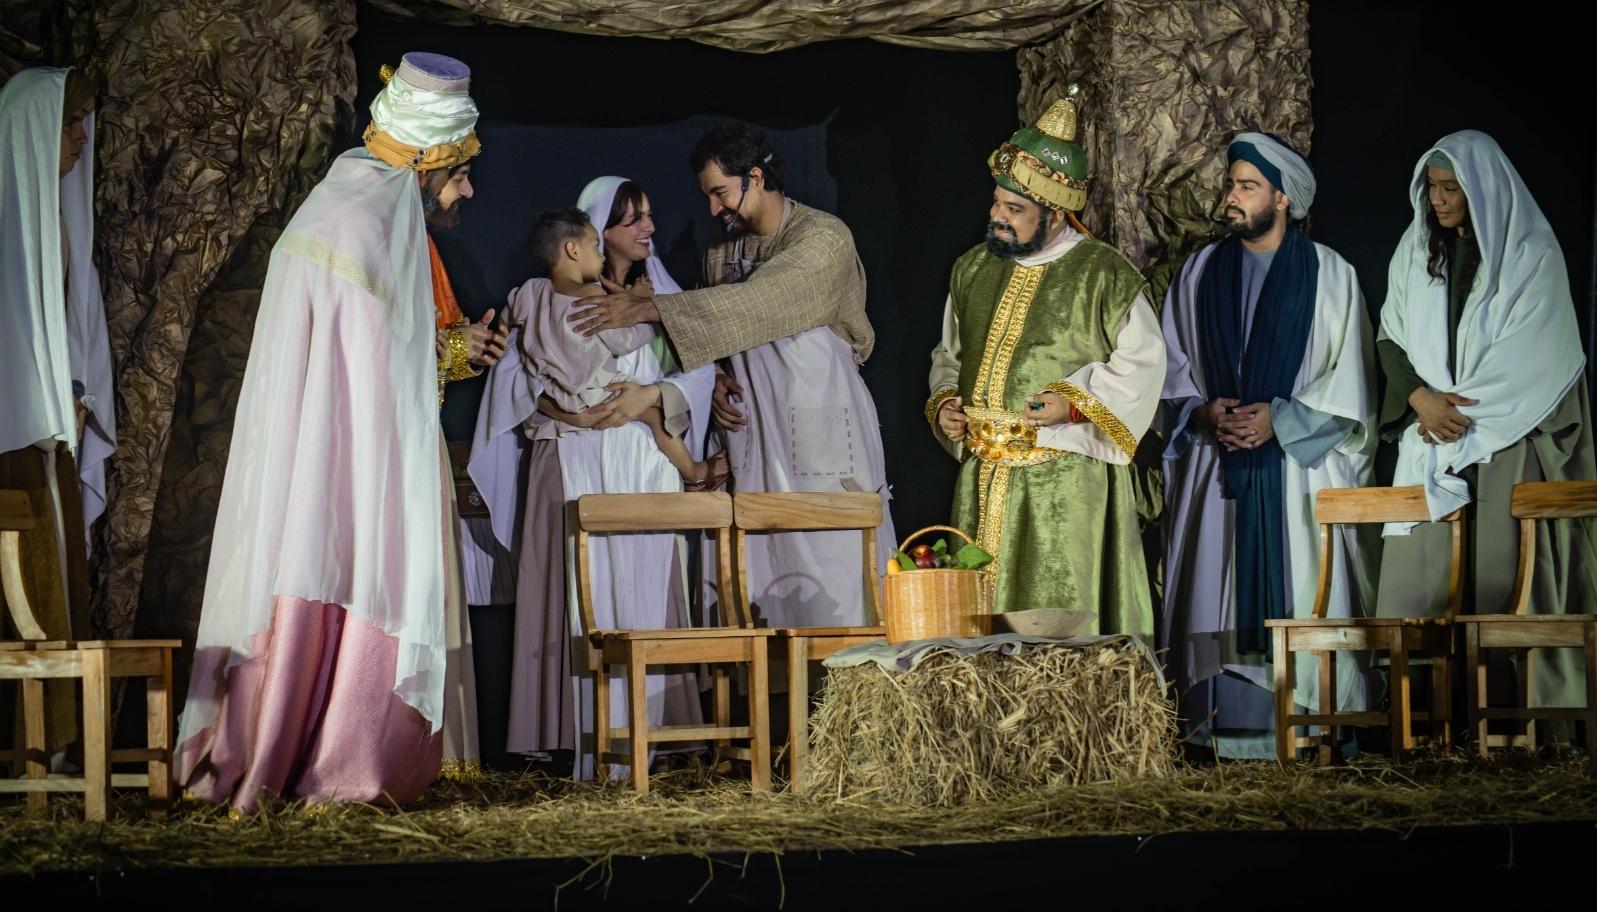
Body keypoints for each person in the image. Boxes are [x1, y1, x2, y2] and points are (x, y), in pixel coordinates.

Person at [174, 52, 495, 809]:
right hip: (347, 456)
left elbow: (380, 352)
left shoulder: (344, 204)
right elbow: (374, 364)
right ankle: (341, 760)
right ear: (422, 163)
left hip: (340, 447)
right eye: (458, 172)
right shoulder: (363, 223)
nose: (467, 191)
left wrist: (446, 351)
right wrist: (447, 353)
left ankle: (314, 748)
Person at [568, 123, 894, 627]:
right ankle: (765, 678)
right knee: (755, 568)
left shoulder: (824, 238)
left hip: (818, 425)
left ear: (755, 178)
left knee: (831, 559)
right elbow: (719, 334)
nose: (713, 209)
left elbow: (764, 302)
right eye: (708, 195)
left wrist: (650, 308)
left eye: (720, 193)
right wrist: (717, 376)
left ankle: (847, 672)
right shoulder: (722, 250)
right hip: (753, 431)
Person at [470, 177, 712, 778]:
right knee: (583, 592)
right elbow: (517, 377)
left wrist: (651, 397)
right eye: (632, 219)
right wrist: (567, 411)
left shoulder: (665, 300)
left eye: (649, 215)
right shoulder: (554, 296)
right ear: (593, 236)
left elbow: (699, 373)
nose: (648, 228)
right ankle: (584, 733)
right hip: (574, 457)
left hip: (643, 463)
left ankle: (655, 732)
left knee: (643, 587)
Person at [1159, 131, 1378, 757]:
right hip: (1217, 468)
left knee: (1303, 585)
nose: (1232, 196)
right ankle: (1220, 732)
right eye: (1231, 184)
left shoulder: (1330, 275)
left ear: (1283, 199)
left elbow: (1352, 380)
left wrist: (1281, 421)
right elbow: (1169, 366)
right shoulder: (1199, 272)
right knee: (1213, 590)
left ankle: (1308, 727)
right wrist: (1203, 413)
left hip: (1296, 474)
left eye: (1248, 187)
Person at [1376, 130, 1597, 730]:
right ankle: (1431, 728)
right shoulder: (1415, 247)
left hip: (1506, 440)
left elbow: (1536, 358)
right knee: (1426, 584)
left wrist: (1460, 414)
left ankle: (1512, 729)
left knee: (1500, 578)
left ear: (1483, 191)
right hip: (1434, 434)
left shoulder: (1531, 255)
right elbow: (1391, 336)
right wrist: (1422, 400)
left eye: (1451, 188)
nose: (1438, 199)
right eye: (1432, 187)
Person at [926, 87, 1164, 637]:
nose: (997, 217)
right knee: (978, 629)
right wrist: (945, 405)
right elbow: (949, 355)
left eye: (1015, 210)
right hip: (982, 480)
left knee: (1060, 627)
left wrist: (1075, 404)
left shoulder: (1104, 274)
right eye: (996, 202)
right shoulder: (972, 269)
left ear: (1056, 215)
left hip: (1065, 485)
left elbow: (1146, 363)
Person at [0, 64, 112, 770]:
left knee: (58, 583)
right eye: (70, 123)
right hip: (15, 440)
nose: (80, 137)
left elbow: (67, 324)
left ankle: (52, 747)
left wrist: (71, 388)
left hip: (51, 434)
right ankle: (26, 749)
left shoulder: (58, 222)